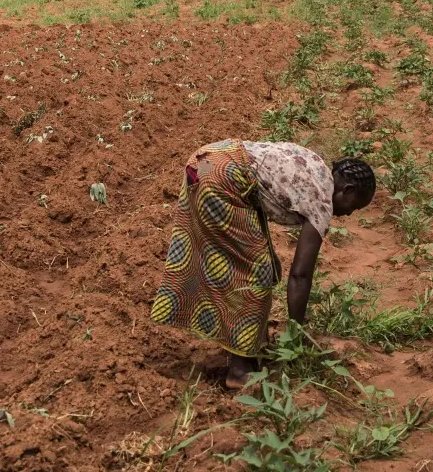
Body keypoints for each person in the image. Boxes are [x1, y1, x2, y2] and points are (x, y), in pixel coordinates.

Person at [150, 140, 376, 387]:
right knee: (254, 274)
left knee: (255, 264)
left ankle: (241, 344)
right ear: (348, 190)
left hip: (207, 159)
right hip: (223, 178)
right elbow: (300, 276)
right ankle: (239, 371)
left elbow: (260, 184)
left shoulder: (316, 165)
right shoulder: (321, 202)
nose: (349, 214)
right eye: (354, 207)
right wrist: (295, 333)